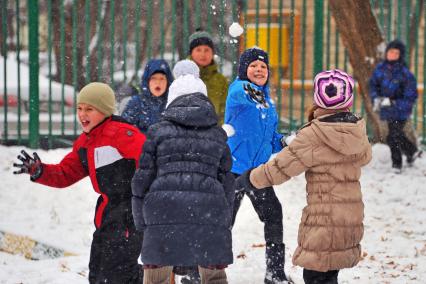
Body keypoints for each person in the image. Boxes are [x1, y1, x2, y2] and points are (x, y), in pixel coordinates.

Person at [236, 69, 372, 284]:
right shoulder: (356, 130)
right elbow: (365, 157)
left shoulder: (314, 135)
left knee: (315, 275)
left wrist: (249, 178)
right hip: (350, 218)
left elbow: (280, 169)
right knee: (329, 274)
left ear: (318, 99)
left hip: (324, 220)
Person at [13, 82, 146, 284]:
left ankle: (152, 278)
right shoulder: (85, 143)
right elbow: (66, 173)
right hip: (106, 215)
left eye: (89, 109)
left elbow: (151, 162)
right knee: (97, 272)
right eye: (80, 108)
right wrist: (40, 171)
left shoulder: (123, 134)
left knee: (117, 275)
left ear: (104, 110)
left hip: (130, 215)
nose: (82, 114)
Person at [131, 60, 234, 284]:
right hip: (210, 211)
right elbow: (227, 182)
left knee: (157, 277)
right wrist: (223, 219)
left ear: (172, 99)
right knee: (214, 276)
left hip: (162, 210)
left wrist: (142, 221)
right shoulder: (217, 135)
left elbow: (142, 181)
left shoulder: (157, 131)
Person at [224, 47, 288, 283]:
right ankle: (200, 272)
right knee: (222, 222)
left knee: (274, 215)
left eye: (263, 67)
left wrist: (284, 141)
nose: (259, 70)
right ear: (244, 71)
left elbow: (271, 139)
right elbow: (242, 92)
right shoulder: (238, 90)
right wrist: (254, 90)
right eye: (253, 66)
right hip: (232, 170)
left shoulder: (268, 103)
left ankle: (275, 273)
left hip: (258, 173)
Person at [369, 39, 421, 172]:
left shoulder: (405, 73)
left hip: (401, 111)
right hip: (387, 110)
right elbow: (373, 85)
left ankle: (397, 164)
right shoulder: (380, 69)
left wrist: (394, 102)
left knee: (393, 136)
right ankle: (411, 152)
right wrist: (376, 98)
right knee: (394, 135)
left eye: (396, 53)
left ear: (400, 55)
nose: (392, 55)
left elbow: (411, 95)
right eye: (390, 52)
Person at [122, 59, 174, 133]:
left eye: (162, 79)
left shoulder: (173, 102)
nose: (158, 83)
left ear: (168, 82)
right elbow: (125, 130)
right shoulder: (137, 103)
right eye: (153, 78)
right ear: (147, 81)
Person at [189, 29, 228, 124]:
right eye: (198, 50)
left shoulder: (221, 81)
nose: (203, 54)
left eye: (207, 50)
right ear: (191, 53)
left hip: (213, 134)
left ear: (212, 53)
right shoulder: (183, 78)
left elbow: (225, 111)